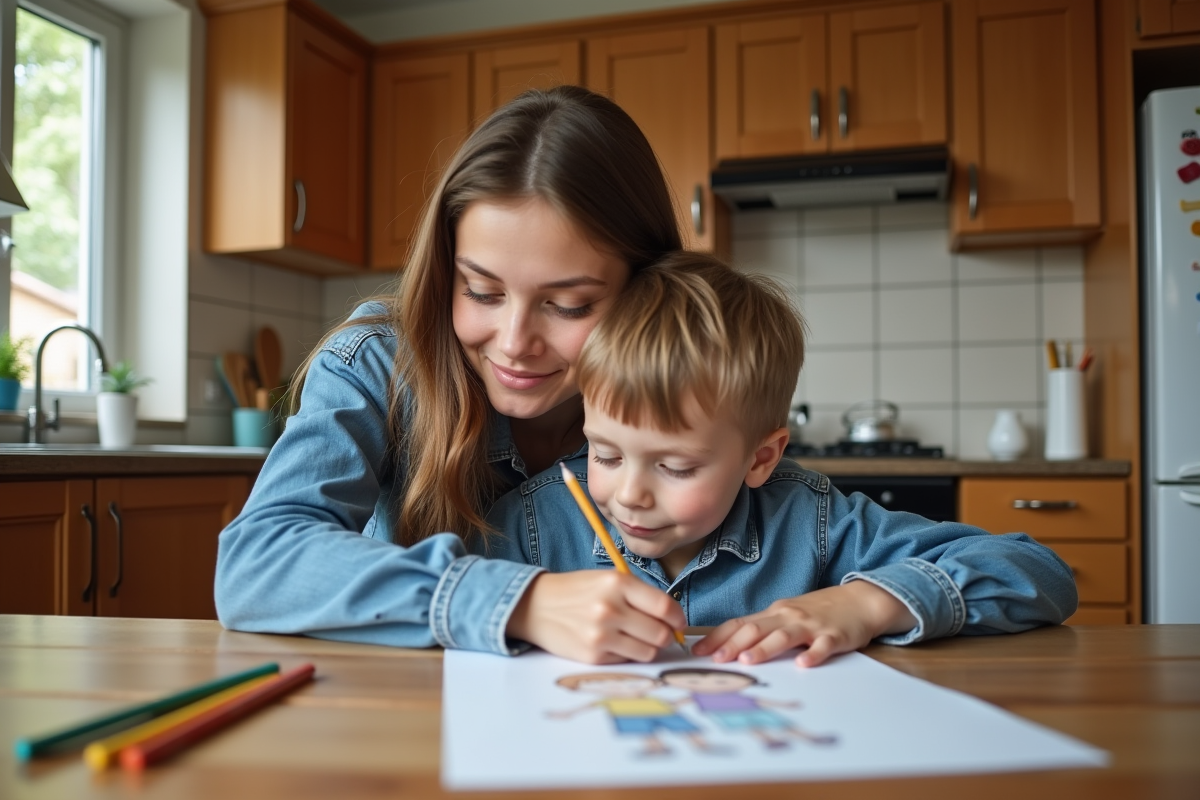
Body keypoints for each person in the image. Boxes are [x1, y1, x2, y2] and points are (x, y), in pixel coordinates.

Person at [215, 86, 692, 662]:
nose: (514, 345)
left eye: (569, 306)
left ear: (645, 288)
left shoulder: (682, 373)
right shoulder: (376, 362)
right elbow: (258, 563)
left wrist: (837, 602)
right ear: (447, 273)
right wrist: (519, 602)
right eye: (482, 292)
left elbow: (805, 527)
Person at [483, 252, 1078, 668]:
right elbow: (435, 602)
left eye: (677, 467)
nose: (629, 494)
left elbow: (1038, 574)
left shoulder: (811, 521)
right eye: (606, 454)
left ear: (761, 458)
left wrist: (865, 605)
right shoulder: (537, 523)